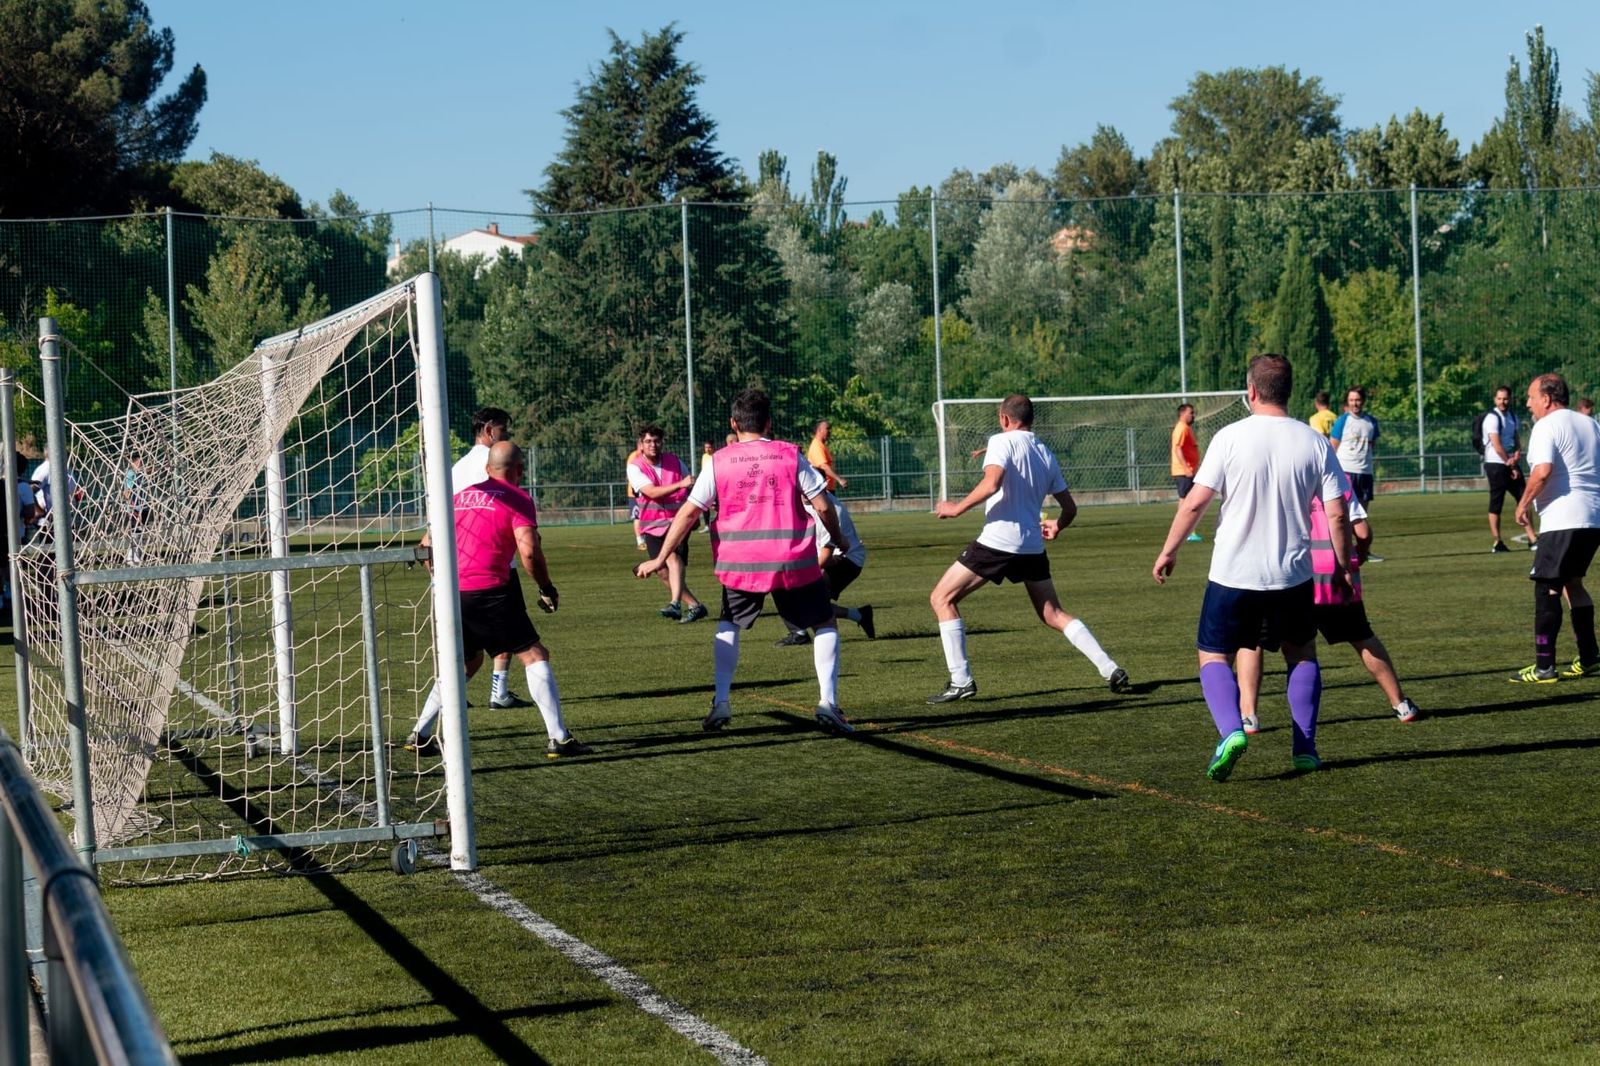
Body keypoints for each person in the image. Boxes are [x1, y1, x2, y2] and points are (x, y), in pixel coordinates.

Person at [1153, 354, 1352, 780]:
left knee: (1213, 655)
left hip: (1233, 574)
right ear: (1289, 392)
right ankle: (1305, 747)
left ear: (1252, 392)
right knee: (1300, 654)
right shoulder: (1313, 441)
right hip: (1293, 575)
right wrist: (1341, 565)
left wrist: (1169, 550)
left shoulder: (1229, 437)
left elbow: (1195, 502)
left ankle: (1231, 730)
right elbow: (1337, 513)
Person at [636, 388, 856, 734]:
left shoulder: (720, 461)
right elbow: (824, 504)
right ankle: (828, 702)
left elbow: (690, 512)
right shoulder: (789, 455)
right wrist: (839, 539)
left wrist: (660, 557)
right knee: (824, 621)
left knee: (729, 623)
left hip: (741, 562)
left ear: (734, 423)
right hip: (791, 558)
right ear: (769, 423)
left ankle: (721, 701)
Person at [927, 394, 1129, 704]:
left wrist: (956, 508)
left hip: (998, 541)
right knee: (1053, 613)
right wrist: (1058, 525)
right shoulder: (1045, 452)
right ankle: (1109, 667)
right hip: (1032, 545)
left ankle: (961, 680)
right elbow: (1070, 508)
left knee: (941, 598)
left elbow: (992, 483)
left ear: (1004, 419)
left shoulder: (1000, 442)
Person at [406, 441, 590, 757]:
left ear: (488, 469)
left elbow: (425, 547)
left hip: (454, 593)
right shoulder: (518, 498)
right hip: (493, 590)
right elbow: (529, 551)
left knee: (466, 663)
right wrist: (546, 588)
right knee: (534, 654)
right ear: (520, 469)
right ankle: (559, 738)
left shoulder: (458, 497)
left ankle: (420, 734)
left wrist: (441, 581)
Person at [1235, 482, 1420, 733]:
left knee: (1253, 640)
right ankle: (1401, 704)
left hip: (1285, 574)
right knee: (1361, 636)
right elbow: (1361, 530)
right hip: (1333, 574)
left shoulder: (1279, 470)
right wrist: (1360, 554)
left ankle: (1249, 716)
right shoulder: (1336, 476)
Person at [1509, 373, 1600, 683]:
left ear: (1546, 399)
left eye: (1532, 397)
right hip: (1592, 518)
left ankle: (1544, 666)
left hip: (1563, 518)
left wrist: (1522, 504)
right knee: (1572, 583)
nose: (1528, 403)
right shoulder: (1590, 423)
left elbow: (1542, 471)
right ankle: (1589, 657)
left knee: (1546, 586)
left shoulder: (1546, 425)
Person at [454, 407, 530, 709]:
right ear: (488, 430)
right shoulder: (490, 464)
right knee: (513, 637)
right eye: (503, 430)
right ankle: (498, 692)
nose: (507, 436)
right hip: (492, 561)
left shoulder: (456, 467)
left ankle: (444, 707)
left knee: (470, 649)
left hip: (457, 566)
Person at [627, 424, 707, 623]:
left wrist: (694, 515)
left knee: (671, 557)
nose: (652, 445)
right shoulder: (635, 466)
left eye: (656, 441)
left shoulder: (675, 462)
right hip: (652, 524)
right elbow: (651, 492)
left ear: (662, 443)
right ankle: (695, 606)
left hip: (677, 521)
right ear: (641, 445)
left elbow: (691, 490)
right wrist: (680, 484)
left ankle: (674, 604)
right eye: (648, 441)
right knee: (662, 571)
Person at [775, 489, 875, 646]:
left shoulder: (828, 511)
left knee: (810, 603)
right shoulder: (804, 499)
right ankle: (859, 615)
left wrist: (800, 572)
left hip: (845, 560)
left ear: (820, 488)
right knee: (785, 588)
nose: (804, 494)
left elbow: (826, 557)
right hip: (823, 556)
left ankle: (805, 635)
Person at [1482, 384, 1537, 553]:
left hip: (1509, 462)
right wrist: (1509, 462)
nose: (1503, 402)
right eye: (1499, 398)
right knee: (1496, 502)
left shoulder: (1512, 416)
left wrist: (1517, 454)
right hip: (1495, 464)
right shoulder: (1492, 418)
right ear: (1495, 399)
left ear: (1510, 399)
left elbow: (1516, 438)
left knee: (1524, 498)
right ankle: (1497, 542)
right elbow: (1497, 445)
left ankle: (1533, 539)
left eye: (1505, 398)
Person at [1329, 386, 1379, 506]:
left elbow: (1372, 446)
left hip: (1365, 472)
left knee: (1362, 514)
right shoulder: (1342, 421)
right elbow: (1332, 448)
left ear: (1363, 401)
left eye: (1357, 400)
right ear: (1347, 401)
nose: (1354, 403)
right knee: (1345, 513)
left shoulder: (1372, 422)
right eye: (1351, 400)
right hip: (1346, 471)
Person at [1171, 403, 1203, 543]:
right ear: (1183, 414)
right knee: (1186, 500)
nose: (1193, 415)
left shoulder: (1185, 428)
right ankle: (1185, 531)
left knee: (1186, 499)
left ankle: (1186, 530)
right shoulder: (1181, 428)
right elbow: (1178, 449)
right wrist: (1186, 468)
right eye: (1191, 412)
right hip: (1184, 471)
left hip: (1188, 470)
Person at [123, 451, 150, 564]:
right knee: (135, 530)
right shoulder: (130, 474)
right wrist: (133, 507)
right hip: (135, 506)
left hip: (143, 505)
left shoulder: (140, 473)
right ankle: (132, 556)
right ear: (132, 462)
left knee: (139, 531)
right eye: (138, 462)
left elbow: (150, 470)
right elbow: (126, 493)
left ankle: (132, 555)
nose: (140, 464)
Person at [807, 419, 847, 494]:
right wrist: (839, 479)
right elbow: (823, 466)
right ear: (819, 430)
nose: (830, 431)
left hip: (827, 489)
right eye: (827, 428)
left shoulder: (821, 445)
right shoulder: (817, 446)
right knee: (839, 506)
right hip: (822, 489)